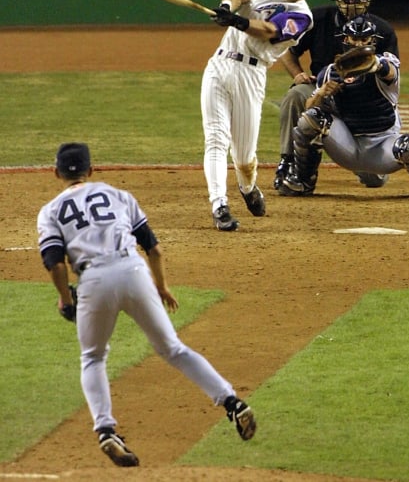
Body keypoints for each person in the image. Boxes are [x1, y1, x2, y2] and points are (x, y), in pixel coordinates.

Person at [37, 143, 256, 468]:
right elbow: (153, 249)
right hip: (133, 269)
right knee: (173, 348)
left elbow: (55, 265)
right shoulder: (118, 195)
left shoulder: (51, 211)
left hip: (94, 281)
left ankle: (106, 429)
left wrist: (67, 301)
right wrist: (161, 287)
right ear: (91, 170)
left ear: (55, 172)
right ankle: (232, 402)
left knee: (93, 358)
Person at [278, 17, 409, 199]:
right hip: (347, 145)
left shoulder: (384, 64)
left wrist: (374, 64)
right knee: (312, 118)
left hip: (382, 146)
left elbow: (389, 71)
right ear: (345, 40)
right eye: (354, 39)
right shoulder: (329, 71)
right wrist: (322, 93)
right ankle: (303, 182)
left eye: (364, 40)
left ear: (372, 42)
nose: (359, 44)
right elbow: (308, 109)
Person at [202, 0, 323, 231]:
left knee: (244, 157)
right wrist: (226, 7)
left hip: (251, 74)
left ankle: (248, 187)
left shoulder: (303, 16)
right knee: (216, 140)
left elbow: (269, 31)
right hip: (219, 66)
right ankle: (219, 205)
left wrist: (237, 21)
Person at [274, 0, 399, 191]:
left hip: (363, 95)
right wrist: (298, 74)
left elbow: (391, 72)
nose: (352, 1)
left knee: (374, 180)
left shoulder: (383, 30)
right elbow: (287, 50)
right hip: (322, 86)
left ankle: (363, 154)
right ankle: (290, 163)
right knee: (296, 95)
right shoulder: (318, 19)